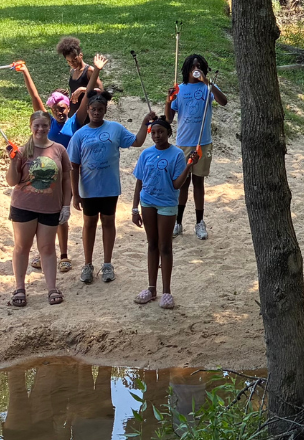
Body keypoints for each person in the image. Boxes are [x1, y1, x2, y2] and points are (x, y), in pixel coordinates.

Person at [18, 55, 106, 272]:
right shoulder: (47, 123)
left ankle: (64, 255)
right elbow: (35, 97)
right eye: (55, 108)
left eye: (62, 108)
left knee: (60, 217)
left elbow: (89, 96)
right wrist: (25, 71)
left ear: (69, 108)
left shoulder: (74, 123)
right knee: (43, 215)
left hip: (64, 175)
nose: (59, 111)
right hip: (44, 175)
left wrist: (95, 70)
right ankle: (44, 252)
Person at [67, 90, 154, 284]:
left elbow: (137, 141)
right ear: (88, 110)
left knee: (108, 222)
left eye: (100, 109)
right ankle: (88, 264)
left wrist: (144, 123)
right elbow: (74, 165)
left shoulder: (115, 128)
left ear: (105, 110)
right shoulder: (80, 135)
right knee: (89, 224)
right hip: (88, 189)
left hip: (109, 187)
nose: (96, 113)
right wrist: (75, 193)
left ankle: (107, 264)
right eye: (93, 109)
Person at [5, 110, 73, 307]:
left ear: (49, 126)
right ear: (31, 127)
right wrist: (12, 161)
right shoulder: (22, 150)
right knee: (22, 247)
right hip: (23, 206)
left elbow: (67, 179)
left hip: (50, 208)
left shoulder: (59, 150)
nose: (41, 129)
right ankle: (19, 287)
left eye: (44, 125)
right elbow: (12, 181)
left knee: (47, 248)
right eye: (37, 125)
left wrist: (66, 206)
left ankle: (52, 287)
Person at [129, 117, 196, 310]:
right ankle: (151, 288)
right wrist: (135, 208)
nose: (157, 136)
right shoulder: (146, 154)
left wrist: (189, 166)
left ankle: (166, 291)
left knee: (165, 246)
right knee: (152, 245)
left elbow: (177, 184)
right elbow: (139, 182)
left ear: (169, 133)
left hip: (167, 204)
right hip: (147, 202)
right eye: (154, 132)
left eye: (161, 132)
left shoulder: (176, 155)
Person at [166, 54, 227, 240]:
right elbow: (168, 118)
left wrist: (207, 81)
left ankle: (199, 222)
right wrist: (168, 100)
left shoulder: (207, 87)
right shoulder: (180, 89)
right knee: (183, 184)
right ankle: (178, 222)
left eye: (199, 66)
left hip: (203, 142)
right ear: (186, 69)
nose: (196, 68)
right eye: (193, 66)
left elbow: (223, 101)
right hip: (183, 142)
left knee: (198, 182)